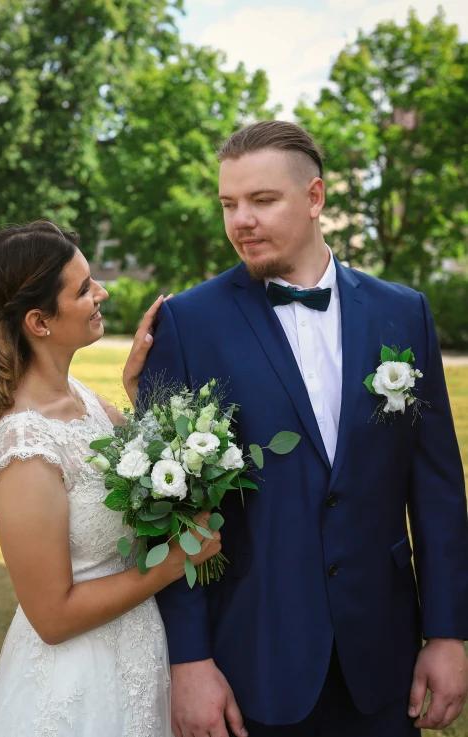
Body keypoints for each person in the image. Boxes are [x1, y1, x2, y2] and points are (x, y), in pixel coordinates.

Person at [141, 120, 468, 737]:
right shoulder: (187, 322)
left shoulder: (405, 311)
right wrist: (189, 659)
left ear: (315, 198)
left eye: (262, 200)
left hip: (383, 657)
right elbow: (167, 509)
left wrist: (448, 633)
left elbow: (438, 493)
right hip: (251, 661)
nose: (241, 220)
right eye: (229, 204)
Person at [0, 220, 221, 737]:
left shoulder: (81, 397)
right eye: (82, 289)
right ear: (39, 321)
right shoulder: (24, 446)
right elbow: (52, 617)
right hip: (79, 684)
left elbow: (147, 474)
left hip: (140, 657)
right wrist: (176, 561)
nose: (101, 293)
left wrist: (134, 386)